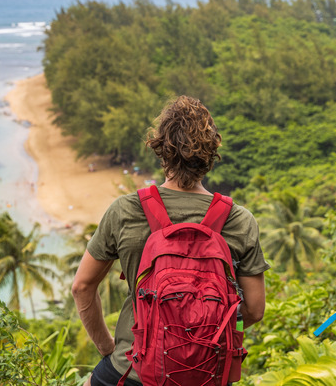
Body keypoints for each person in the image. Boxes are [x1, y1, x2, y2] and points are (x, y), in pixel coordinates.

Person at [72, 96, 269, 386]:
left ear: (160, 150)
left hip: (132, 369)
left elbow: (82, 287)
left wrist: (108, 350)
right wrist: (202, 339)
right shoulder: (239, 220)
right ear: (212, 152)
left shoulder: (126, 210)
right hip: (208, 373)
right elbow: (254, 309)